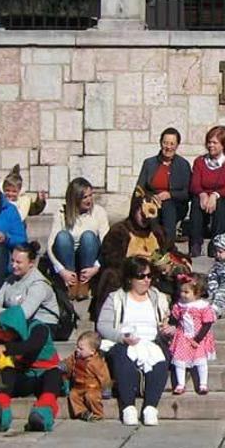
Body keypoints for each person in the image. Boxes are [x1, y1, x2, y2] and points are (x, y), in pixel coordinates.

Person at [97, 257, 171, 426]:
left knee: (160, 361)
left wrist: (167, 329)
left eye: (149, 276)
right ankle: (128, 407)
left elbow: (166, 320)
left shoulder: (157, 297)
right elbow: (103, 325)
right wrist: (122, 338)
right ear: (130, 278)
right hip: (125, 340)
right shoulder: (116, 298)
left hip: (152, 340)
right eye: (141, 276)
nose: (146, 280)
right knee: (124, 359)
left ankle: (151, 407)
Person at [0, 303, 63, 432]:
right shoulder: (12, 336)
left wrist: (6, 348)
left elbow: (32, 345)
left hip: (44, 375)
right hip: (25, 376)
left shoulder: (39, 328)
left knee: (54, 374)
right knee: (7, 372)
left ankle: (43, 413)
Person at [91, 187, 170, 321]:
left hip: (153, 276)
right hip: (127, 274)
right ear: (135, 210)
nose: (145, 218)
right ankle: (110, 319)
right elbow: (110, 257)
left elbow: (169, 252)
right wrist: (136, 264)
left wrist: (168, 264)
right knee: (110, 276)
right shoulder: (120, 230)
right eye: (141, 212)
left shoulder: (157, 232)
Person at [46, 178, 110, 300]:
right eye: (85, 197)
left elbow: (107, 244)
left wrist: (96, 267)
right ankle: (71, 283)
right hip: (67, 260)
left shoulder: (99, 212)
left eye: (91, 195)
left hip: (89, 258)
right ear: (75, 198)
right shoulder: (61, 213)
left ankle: (85, 282)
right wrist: (61, 270)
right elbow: (50, 246)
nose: (89, 200)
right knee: (62, 237)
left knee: (89, 236)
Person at [0, 242, 61, 338]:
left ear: (31, 263)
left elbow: (22, 315)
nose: (13, 265)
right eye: (12, 260)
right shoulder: (11, 279)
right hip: (18, 322)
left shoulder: (38, 285)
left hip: (41, 326)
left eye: (18, 262)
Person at [137, 127, 192, 242]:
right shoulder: (149, 163)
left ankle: (168, 244)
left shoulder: (183, 165)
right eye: (165, 143)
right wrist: (150, 198)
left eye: (172, 144)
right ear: (160, 143)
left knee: (168, 205)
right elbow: (139, 189)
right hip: (152, 202)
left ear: (177, 146)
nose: (168, 147)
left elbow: (188, 193)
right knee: (152, 211)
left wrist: (170, 195)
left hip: (176, 205)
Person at [189, 126, 225, 257]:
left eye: (214, 142)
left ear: (224, 145)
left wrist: (215, 195)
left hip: (221, 197)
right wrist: (202, 194)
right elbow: (195, 184)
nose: (210, 145)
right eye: (209, 142)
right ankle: (195, 243)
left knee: (221, 204)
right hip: (203, 196)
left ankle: (216, 244)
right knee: (196, 202)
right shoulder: (199, 161)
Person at [170, 273, 217, 396]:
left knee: (201, 361)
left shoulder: (202, 306)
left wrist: (198, 338)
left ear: (197, 293)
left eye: (186, 292)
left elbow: (207, 324)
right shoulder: (180, 305)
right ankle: (180, 384)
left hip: (198, 337)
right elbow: (175, 318)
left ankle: (203, 384)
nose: (183, 295)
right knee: (179, 361)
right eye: (182, 291)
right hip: (183, 336)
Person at [61, 331, 111, 421]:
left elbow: (104, 376)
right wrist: (64, 365)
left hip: (92, 387)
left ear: (92, 351)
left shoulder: (96, 363)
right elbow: (69, 362)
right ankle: (82, 412)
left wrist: (106, 388)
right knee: (73, 395)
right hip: (78, 386)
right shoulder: (75, 356)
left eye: (81, 348)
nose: (77, 350)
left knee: (91, 397)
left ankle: (98, 413)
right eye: (77, 347)